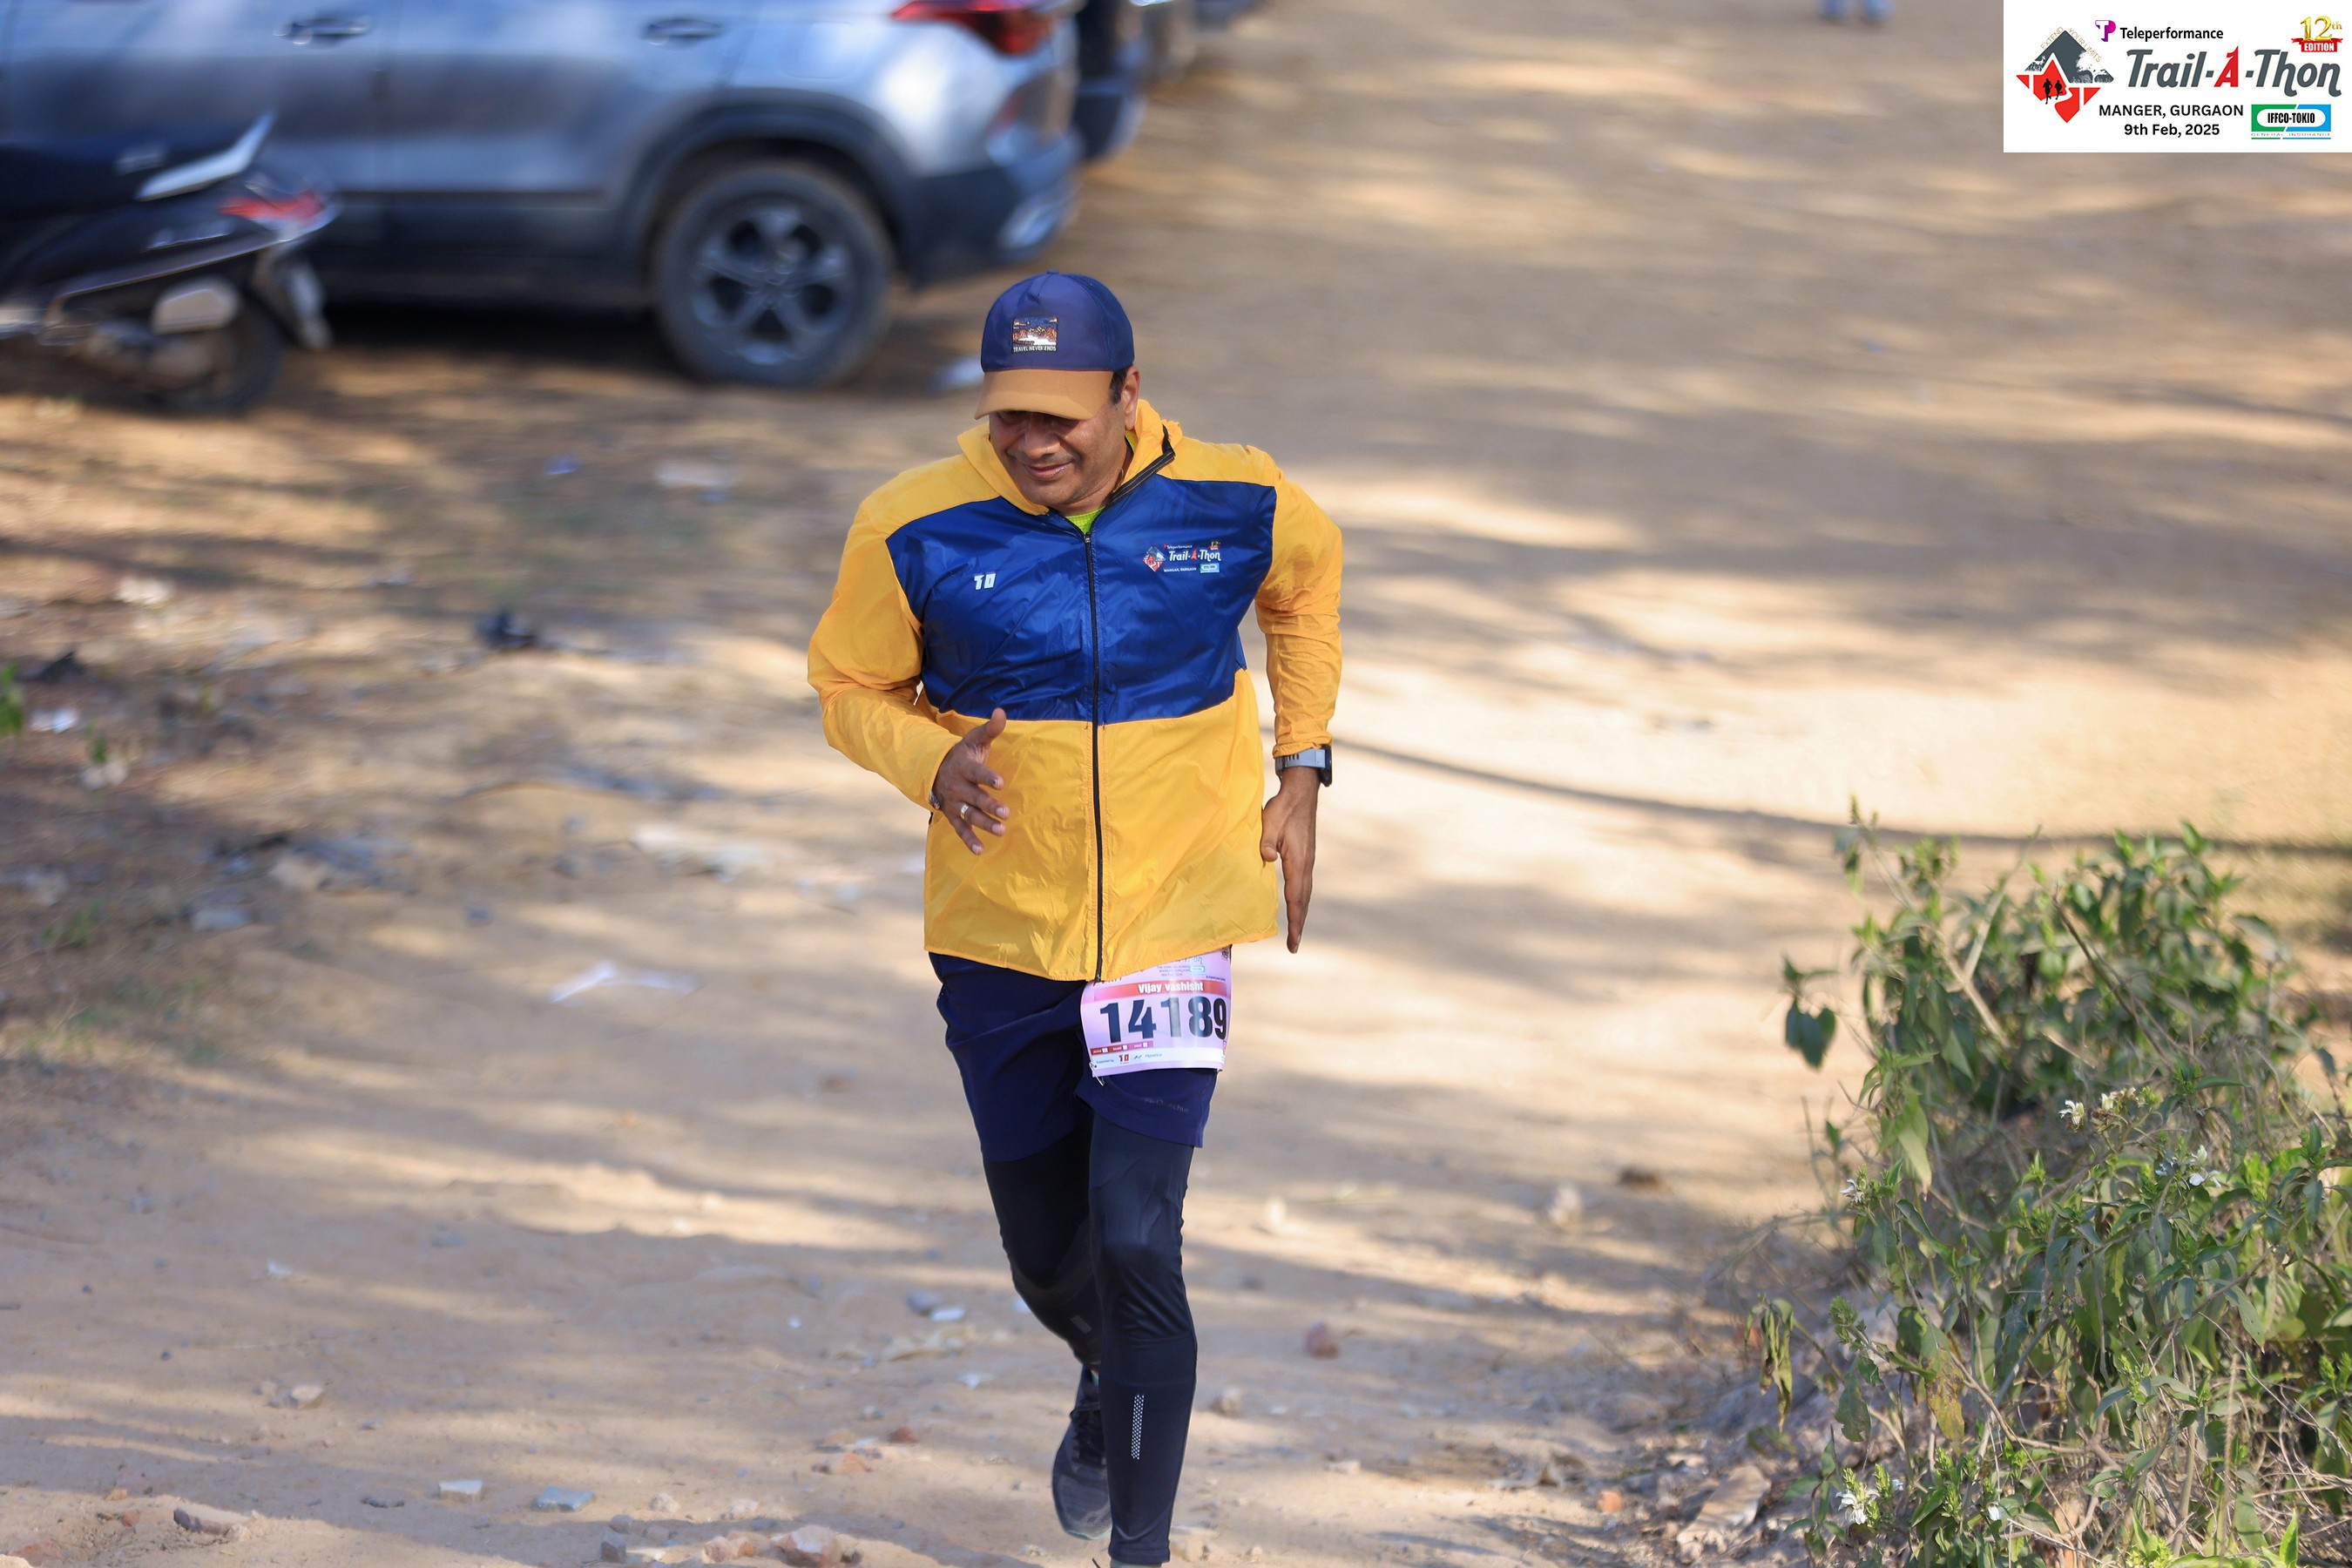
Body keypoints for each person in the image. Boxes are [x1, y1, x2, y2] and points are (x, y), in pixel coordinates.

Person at [807, 271, 1342, 1568]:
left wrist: (1303, 763)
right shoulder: (913, 526)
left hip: (1173, 920)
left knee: (1138, 1239)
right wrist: (928, 759)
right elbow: (847, 683)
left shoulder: (1238, 499)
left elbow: (1306, 587)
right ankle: (1101, 1373)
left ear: (1129, 394)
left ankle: (1139, 1552)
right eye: (1011, 416)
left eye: (1063, 416)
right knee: (1050, 1260)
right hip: (1002, 929)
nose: (1034, 442)